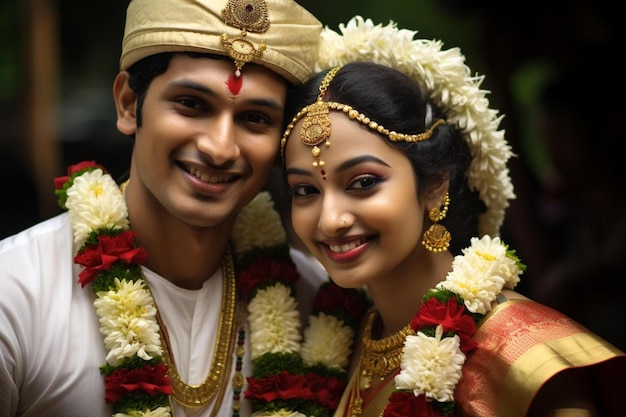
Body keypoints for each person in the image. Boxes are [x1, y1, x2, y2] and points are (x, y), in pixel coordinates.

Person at [279, 17, 626, 417]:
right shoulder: (338, 346)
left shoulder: (524, 355)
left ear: (435, 186)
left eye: (363, 182)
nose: (329, 219)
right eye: (305, 190)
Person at [0, 0, 326, 416]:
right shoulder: (15, 294)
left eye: (255, 119)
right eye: (192, 104)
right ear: (129, 104)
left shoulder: (311, 298)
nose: (220, 148)